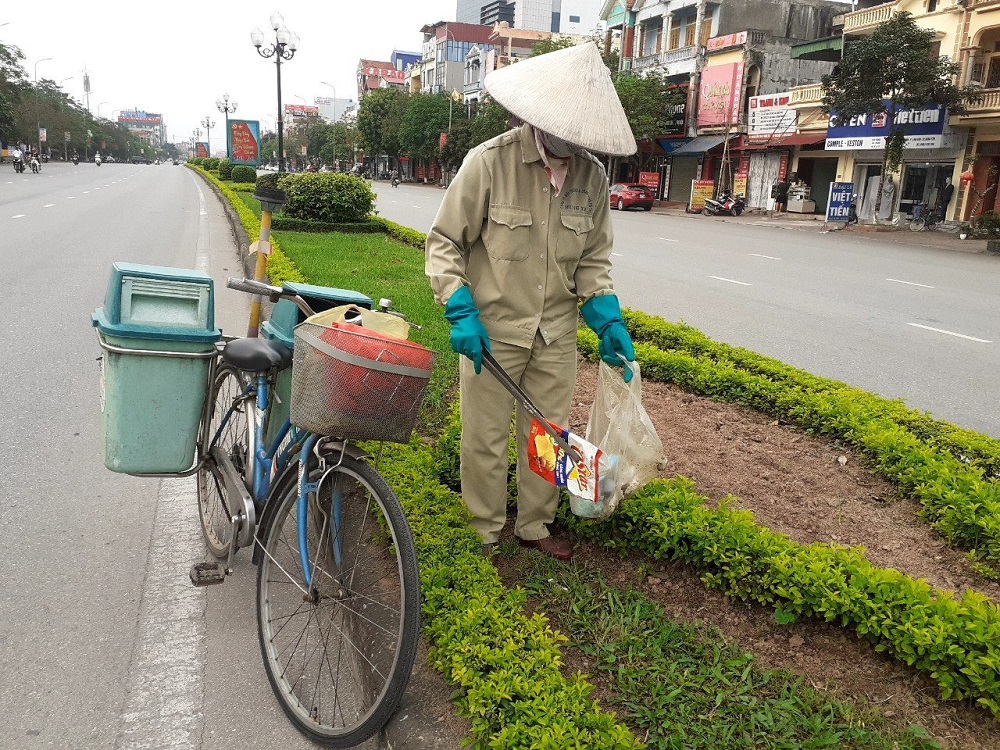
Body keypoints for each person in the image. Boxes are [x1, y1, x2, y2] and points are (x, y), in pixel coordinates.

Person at [425, 43, 637, 561]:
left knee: (547, 434)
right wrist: (459, 308)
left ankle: (535, 526)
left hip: (557, 335)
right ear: (540, 116)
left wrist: (606, 318)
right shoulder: (489, 163)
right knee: (485, 436)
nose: (572, 140)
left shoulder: (592, 177)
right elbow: (444, 242)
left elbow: (592, 261)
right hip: (493, 331)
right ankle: (484, 528)